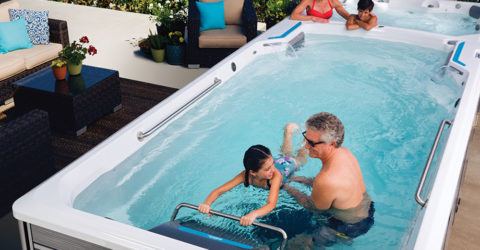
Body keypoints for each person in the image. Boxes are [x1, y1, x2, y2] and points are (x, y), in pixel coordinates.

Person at [283, 112, 374, 246]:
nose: (306, 146)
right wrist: (306, 180)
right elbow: (339, 188)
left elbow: (312, 206)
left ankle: (338, 238)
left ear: (331, 143)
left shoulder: (326, 180)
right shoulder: (345, 153)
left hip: (346, 226)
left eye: (311, 143)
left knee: (295, 244)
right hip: (367, 209)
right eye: (305, 138)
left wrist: (286, 187)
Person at [198, 123, 307, 226]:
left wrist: (253, 214)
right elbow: (219, 191)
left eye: (271, 164)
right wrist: (207, 204)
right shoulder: (245, 176)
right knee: (285, 154)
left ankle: (305, 141)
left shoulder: (275, 175)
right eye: (268, 169)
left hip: (286, 167)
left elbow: (271, 204)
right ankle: (288, 132)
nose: (272, 170)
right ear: (253, 172)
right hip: (276, 162)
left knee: (299, 159)